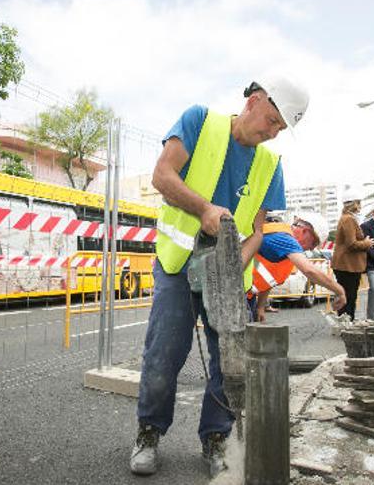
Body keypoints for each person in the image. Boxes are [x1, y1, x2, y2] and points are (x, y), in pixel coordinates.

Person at [131, 77, 308, 478]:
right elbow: (162, 176)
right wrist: (206, 210)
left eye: (280, 128)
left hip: (229, 275)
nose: (272, 132)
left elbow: (259, 230)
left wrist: (234, 262)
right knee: (164, 354)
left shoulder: (271, 164)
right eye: (272, 120)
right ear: (254, 101)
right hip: (178, 263)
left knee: (232, 360)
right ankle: (149, 433)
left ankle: (216, 437)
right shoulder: (200, 121)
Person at [250, 212, 346, 322]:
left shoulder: (280, 239)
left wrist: (260, 307)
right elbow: (310, 271)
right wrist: (339, 290)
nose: (310, 249)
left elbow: (267, 280)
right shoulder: (285, 240)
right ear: (305, 232)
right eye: (313, 244)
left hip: (246, 294)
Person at [331, 189, 374, 320]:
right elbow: (351, 243)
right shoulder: (349, 219)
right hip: (347, 266)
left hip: (346, 265)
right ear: (354, 204)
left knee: (347, 295)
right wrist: (366, 243)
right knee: (349, 296)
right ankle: (347, 322)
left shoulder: (346, 218)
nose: (360, 206)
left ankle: (346, 321)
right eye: (359, 203)